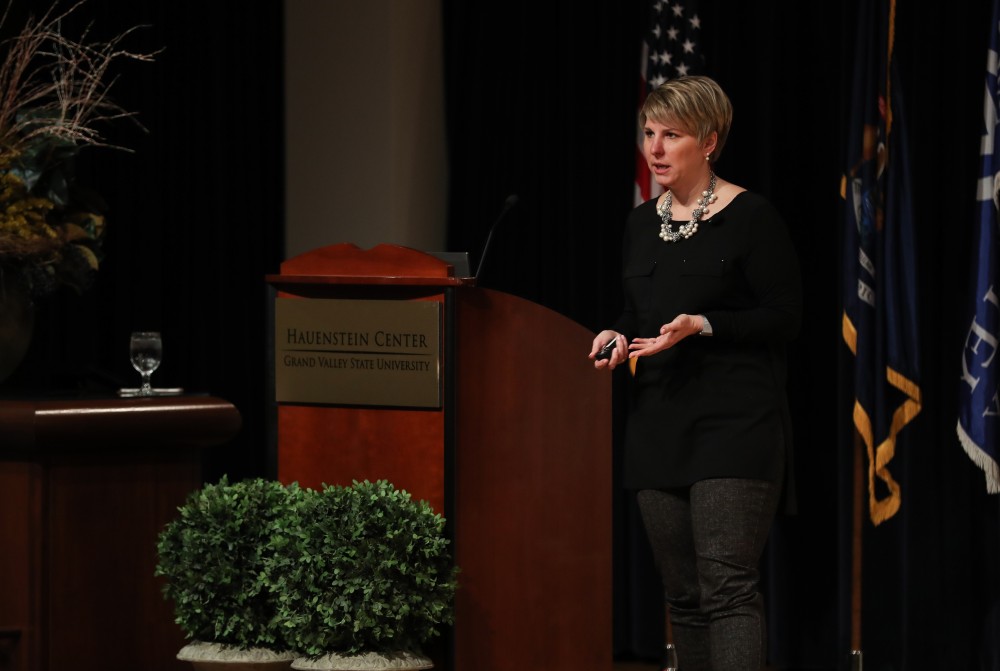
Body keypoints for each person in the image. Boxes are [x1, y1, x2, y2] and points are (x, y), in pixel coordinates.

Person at [590, 75, 802, 671]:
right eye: (649, 134)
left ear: (708, 142)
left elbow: (785, 318)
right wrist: (615, 334)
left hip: (735, 424)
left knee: (727, 590)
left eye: (671, 136)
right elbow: (639, 314)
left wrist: (705, 324)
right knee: (683, 596)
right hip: (658, 421)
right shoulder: (639, 224)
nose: (654, 149)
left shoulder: (753, 218)